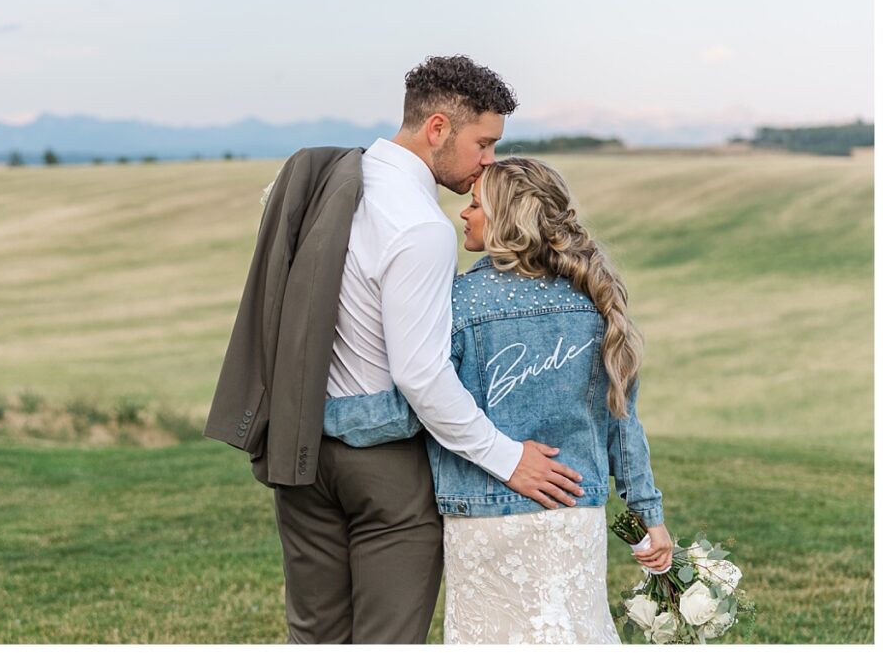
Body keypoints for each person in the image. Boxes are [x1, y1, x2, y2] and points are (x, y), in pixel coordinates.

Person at [206, 56, 585, 644]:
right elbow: (421, 375)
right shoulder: (421, 227)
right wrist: (507, 457)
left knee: (314, 636)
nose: (488, 161)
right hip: (385, 469)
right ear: (438, 128)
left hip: (302, 449)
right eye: (483, 143)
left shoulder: (323, 182)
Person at [325, 157, 673, 644]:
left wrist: (324, 415)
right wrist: (649, 519)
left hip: (483, 521)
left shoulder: (457, 301)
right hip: (573, 520)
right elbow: (623, 426)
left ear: (507, 219)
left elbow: (415, 407)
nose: (463, 215)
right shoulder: (594, 301)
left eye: (474, 204)